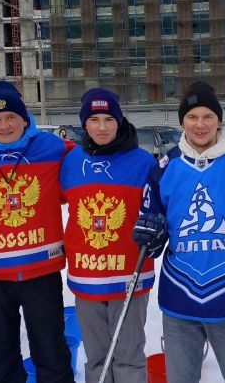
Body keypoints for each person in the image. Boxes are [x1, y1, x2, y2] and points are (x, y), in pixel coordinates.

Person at [132, 81, 225, 383]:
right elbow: (152, 227)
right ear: (182, 122)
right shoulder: (166, 165)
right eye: (192, 117)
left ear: (219, 120)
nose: (200, 124)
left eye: (208, 116)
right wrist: (150, 235)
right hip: (179, 295)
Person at [0, 81, 74, 383]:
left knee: (52, 355)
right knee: (1, 360)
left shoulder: (51, 147)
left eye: (11, 117)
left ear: (24, 119)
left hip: (41, 272)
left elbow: (94, 159)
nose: (4, 125)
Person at [60, 88, 157, 383]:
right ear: (84, 123)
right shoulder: (71, 162)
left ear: (119, 121)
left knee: (128, 357)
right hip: (86, 276)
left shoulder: (144, 162)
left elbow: (160, 210)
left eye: (109, 119)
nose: (102, 127)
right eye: (94, 119)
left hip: (129, 275)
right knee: (97, 359)